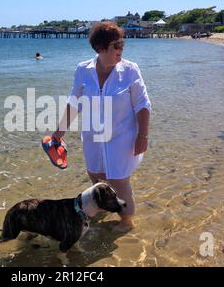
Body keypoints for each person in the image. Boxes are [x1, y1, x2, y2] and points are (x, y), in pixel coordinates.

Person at [51, 22, 152, 232]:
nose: (121, 49)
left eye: (122, 44)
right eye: (116, 45)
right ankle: (103, 212)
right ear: (100, 48)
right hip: (93, 137)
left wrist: (143, 135)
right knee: (96, 178)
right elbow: (74, 103)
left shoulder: (130, 70)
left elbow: (143, 105)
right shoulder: (83, 70)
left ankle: (126, 222)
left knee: (119, 181)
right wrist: (59, 132)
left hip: (122, 137)